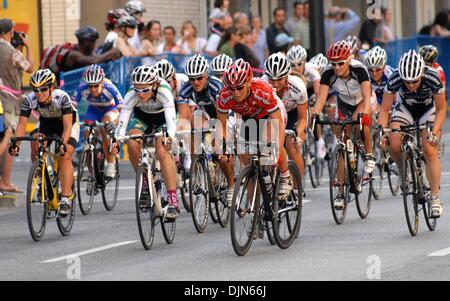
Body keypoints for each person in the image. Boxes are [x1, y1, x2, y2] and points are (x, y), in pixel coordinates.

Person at [378, 50, 446, 218]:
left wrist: (434, 132)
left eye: (414, 81)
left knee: (429, 148)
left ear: (421, 74)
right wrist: (382, 131)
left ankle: (435, 199)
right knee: (393, 142)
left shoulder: (432, 77)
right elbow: (385, 109)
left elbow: (441, 109)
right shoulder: (395, 78)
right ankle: (403, 170)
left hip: (428, 110)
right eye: (406, 82)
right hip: (405, 109)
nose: (410, 85)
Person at [216, 59, 293, 200]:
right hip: (249, 118)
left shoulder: (262, 91)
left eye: (239, 88)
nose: (235, 92)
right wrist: (224, 148)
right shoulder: (225, 96)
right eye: (231, 88)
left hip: (271, 115)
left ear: (249, 83)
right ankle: (254, 209)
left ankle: (285, 175)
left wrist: (276, 150)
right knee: (248, 160)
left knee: (270, 143)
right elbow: (221, 126)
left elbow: (279, 125)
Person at [312, 41, 375, 210]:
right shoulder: (328, 73)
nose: (337, 67)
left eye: (340, 63)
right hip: (345, 103)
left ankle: (369, 155)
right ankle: (340, 191)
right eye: (333, 64)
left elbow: (367, 94)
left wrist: (364, 115)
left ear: (349, 59)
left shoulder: (359, 70)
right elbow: (321, 98)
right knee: (341, 140)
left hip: (362, 100)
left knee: (361, 121)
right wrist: (314, 115)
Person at [114, 65, 180, 219]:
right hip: (142, 117)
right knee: (131, 142)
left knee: (162, 150)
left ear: (154, 85)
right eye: (137, 89)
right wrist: (116, 140)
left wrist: (169, 136)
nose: (141, 94)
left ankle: (172, 201)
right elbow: (122, 123)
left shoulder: (164, 90)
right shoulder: (132, 94)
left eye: (145, 90)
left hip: (163, 118)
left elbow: (171, 120)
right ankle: (145, 181)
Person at [11, 69, 79, 216]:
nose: (39, 93)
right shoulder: (29, 99)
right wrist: (16, 145)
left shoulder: (62, 97)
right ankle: (41, 173)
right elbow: (22, 125)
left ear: (51, 88)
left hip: (67, 124)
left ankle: (66, 198)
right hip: (46, 123)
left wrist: (63, 143)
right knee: (35, 141)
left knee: (64, 154)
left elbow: (67, 126)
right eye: (36, 89)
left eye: (43, 89)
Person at [0, 18, 34, 193]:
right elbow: (30, 67)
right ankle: (5, 181)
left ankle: (3, 180)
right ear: (9, 32)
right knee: (8, 138)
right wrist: (28, 46)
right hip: (9, 102)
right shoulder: (12, 52)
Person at [71, 65, 123, 178]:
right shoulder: (81, 88)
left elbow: (122, 109)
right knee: (87, 136)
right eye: (90, 86)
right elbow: (71, 108)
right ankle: (91, 174)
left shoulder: (110, 88)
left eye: (96, 86)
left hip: (110, 109)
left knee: (104, 127)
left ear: (102, 83)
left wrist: (117, 123)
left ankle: (110, 165)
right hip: (93, 110)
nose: (93, 89)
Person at [262, 53, 308, 177]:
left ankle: (298, 187)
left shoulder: (298, 87)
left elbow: (303, 117)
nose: (275, 84)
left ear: (287, 76)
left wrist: (297, 134)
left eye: (279, 79)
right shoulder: (262, 84)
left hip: (293, 115)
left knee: (292, 146)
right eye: (272, 79)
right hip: (273, 115)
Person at [364, 46, 394, 114]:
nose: (374, 73)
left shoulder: (390, 74)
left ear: (384, 66)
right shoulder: (366, 75)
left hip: (390, 101)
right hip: (375, 103)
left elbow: (397, 99)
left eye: (378, 69)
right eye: (370, 70)